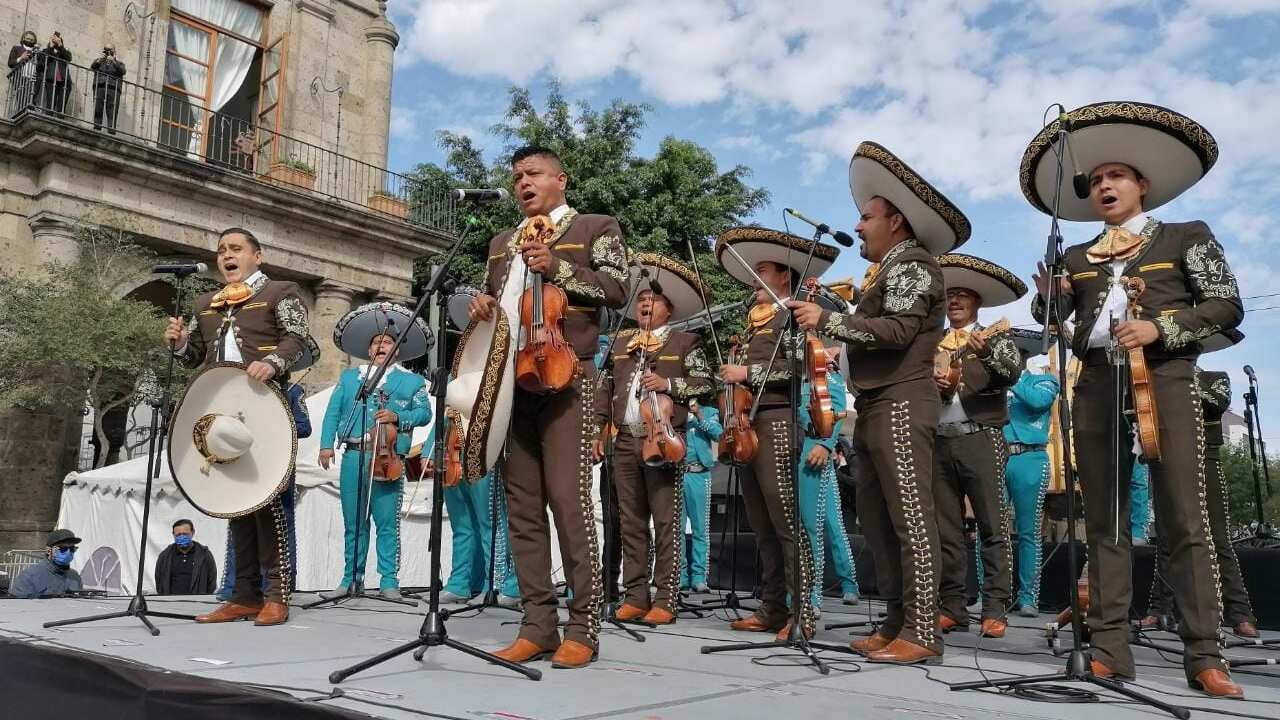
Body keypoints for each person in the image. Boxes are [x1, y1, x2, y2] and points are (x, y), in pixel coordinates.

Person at [1026, 101, 1243, 697]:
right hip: (1096, 380)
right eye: (1096, 181)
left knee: (1183, 519)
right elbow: (1051, 321)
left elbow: (1226, 306)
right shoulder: (1075, 256)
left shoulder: (1186, 235)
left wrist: (1160, 329)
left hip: (1168, 377)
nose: (1103, 186)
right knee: (1106, 521)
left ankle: (1204, 657)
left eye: (1114, 177)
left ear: (1141, 185)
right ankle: (1109, 650)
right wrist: (1049, 296)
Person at [789, 141, 968, 664]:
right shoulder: (886, 271)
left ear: (897, 221)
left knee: (909, 515)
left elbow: (897, 329)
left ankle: (922, 630)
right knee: (878, 515)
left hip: (902, 402)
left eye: (866, 217)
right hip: (875, 404)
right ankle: (896, 620)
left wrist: (828, 320)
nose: (859, 227)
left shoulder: (913, 262)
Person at [466, 146, 629, 669]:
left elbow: (618, 289)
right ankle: (537, 624)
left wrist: (558, 266)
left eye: (533, 174)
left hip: (568, 376)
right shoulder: (500, 244)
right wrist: (485, 306)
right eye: (516, 176)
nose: (523, 183)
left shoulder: (596, 226)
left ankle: (583, 626)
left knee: (569, 502)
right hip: (510, 381)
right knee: (522, 508)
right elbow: (502, 302)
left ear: (560, 178)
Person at [166, 226, 311, 627]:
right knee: (237, 505)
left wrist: (275, 362)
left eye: (235, 249)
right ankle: (244, 595)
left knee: (271, 505)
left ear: (257, 256)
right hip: (222, 411)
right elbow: (196, 356)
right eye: (221, 251)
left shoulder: (281, 292)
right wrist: (179, 344)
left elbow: (299, 337)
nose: (226, 255)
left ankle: (277, 595)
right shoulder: (205, 302)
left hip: (267, 409)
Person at [715, 226, 839, 642]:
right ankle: (771, 606)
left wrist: (745, 372)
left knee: (785, 520)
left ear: (784, 276)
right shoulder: (754, 321)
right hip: (746, 425)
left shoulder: (793, 315)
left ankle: (804, 611)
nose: (755, 278)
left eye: (763, 269)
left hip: (777, 421)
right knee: (761, 522)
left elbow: (798, 369)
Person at [594, 253, 714, 626]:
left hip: (662, 440)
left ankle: (666, 597)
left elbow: (707, 383)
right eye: (641, 300)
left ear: (669, 309)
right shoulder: (620, 343)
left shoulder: (685, 342)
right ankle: (635, 595)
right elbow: (604, 388)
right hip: (625, 439)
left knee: (665, 522)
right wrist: (600, 428)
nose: (645, 304)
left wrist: (669, 384)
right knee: (629, 522)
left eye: (653, 301)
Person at [930, 255, 1024, 640]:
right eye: (950, 296)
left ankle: (995, 608)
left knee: (993, 526)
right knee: (945, 530)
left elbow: (1012, 371)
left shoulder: (997, 335)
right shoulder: (933, 340)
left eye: (963, 296)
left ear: (977, 304)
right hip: (937, 440)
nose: (954, 302)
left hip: (980, 437)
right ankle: (952, 607)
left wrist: (984, 350)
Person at [319, 312, 431, 601]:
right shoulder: (349, 377)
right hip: (354, 455)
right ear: (369, 350)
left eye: (387, 342)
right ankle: (350, 577)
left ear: (396, 350)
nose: (380, 346)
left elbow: (424, 414)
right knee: (354, 522)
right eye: (375, 343)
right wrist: (325, 444)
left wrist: (398, 416)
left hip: (387, 458)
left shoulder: (412, 382)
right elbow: (333, 411)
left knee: (386, 522)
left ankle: (389, 580)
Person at [1142, 367, 1258, 638]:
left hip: (1206, 459)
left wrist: (1179, 381)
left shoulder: (1213, 377)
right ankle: (1160, 609)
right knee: (1166, 540)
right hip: (1166, 459)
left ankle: (1240, 613)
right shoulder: (1156, 376)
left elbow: (1217, 402)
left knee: (1218, 540)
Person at [797, 348, 860, 609]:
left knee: (815, 526)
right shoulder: (796, 378)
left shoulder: (828, 378)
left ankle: (813, 595)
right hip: (797, 446)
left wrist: (826, 443)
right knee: (832, 522)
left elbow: (834, 415)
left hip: (813, 447)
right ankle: (849, 584)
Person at [1001, 342, 1059, 618]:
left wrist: (1012, 376)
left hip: (1031, 458)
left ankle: (1027, 597)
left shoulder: (1045, 380)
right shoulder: (997, 380)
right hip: (998, 456)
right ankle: (992, 596)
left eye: (1013, 352)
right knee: (991, 531)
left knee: (1028, 531)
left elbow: (1038, 402)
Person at [681, 398, 721, 593]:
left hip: (700, 473)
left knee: (700, 529)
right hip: (677, 473)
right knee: (676, 530)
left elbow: (718, 434)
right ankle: (679, 576)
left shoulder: (709, 411)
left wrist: (699, 414)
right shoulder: (674, 409)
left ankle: (698, 577)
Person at [10, 529, 83, 598]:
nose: (68, 553)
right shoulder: (30, 577)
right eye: (62, 549)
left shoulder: (75, 577)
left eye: (72, 549)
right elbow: (18, 607)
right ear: (49, 551)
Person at [155, 519, 218, 595]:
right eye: (178, 535)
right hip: (171, 603)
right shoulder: (165, 556)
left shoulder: (204, 555)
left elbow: (211, 582)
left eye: (185, 534)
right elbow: (159, 581)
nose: (182, 537)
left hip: (197, 603)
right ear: (173, 535)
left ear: (193, 532)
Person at [90, 44, 125, 133]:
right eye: (106, 50)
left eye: (110, 50)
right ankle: (97, 128)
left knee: (112, 111)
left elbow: (122, 71)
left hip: (113, 88)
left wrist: (114, 61)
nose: (108, 52)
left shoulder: (119, 63)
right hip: (100, 86)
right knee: (98, 108)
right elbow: (93, 67)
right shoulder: (99, 61)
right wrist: (100, 59)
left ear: (114, 51)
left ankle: (111, 131)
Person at [35, 32, 72, 114]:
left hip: (64, 81)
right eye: (53, 39)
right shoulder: (45, 51)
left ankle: (60, 118)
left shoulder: (65, 52)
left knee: (62, 107)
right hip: (51, 80)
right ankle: (49, 116)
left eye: (58, 40)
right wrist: (50, 47)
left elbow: (68, 58)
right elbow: (40, 65)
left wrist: (61, 46)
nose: (56, 41)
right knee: (50, 104)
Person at [7, 30, 39, 112]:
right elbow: (10, 63)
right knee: (21, 97)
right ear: (23, 38)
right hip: (20, 77)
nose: (29, 41)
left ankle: (30, 110)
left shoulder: (36, 51)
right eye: (28, 38)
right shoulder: (16, 48)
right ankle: (21, 112)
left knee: (31, 97)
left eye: (32, 40)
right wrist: (21, 58)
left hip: (32, 77)